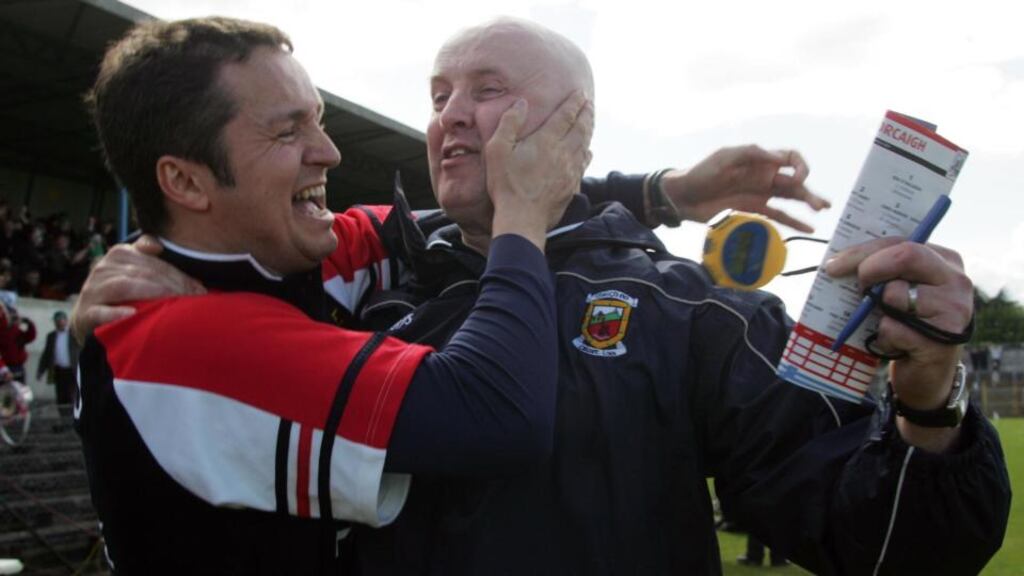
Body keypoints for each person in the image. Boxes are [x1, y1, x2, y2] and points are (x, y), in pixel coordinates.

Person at [74, 17, 1010, 576]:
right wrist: (144, 262)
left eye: (488, 90)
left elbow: (885, 548)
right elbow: (490, 402)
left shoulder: (696, 313)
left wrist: (933, 401)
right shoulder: (363, 280)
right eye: (439, 93)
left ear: (575, 131)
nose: (450, 116)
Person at [74, 16, 592, 574]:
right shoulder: (179, 339)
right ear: (187, 183)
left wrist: (660, 192)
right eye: (287, 131)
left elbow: (442, 215)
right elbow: (499, 411)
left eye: (316, 120)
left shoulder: (276, 250)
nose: (328, 151)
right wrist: (522, 218)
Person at [0, 305, 36, 384]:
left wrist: (28, 322)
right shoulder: (2, 331)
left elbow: (31, 336)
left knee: (21, 392)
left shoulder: (18, 332)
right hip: (4, 367)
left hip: (18, 367)